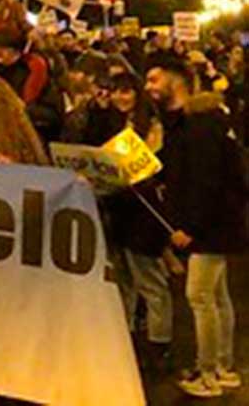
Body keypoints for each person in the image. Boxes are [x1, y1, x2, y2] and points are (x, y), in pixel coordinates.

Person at [148, 59, 248, 397]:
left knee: (200, 296)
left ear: (176, 80)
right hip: (219, 225)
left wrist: (189, 227)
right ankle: (223, 366)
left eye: (153, 78)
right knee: (217, 297)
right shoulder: (191, 122)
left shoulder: (200, 124)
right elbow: (175, 168)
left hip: (210, 228)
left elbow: (207, 182)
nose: (148, 87)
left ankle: (208, 373)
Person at [98, 72, 173, 372]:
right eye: (115, 91)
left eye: (126, 92)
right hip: (119, 210)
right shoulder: (113, 122)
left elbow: (152, 168)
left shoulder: (152, 126)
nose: (119, 98)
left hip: (144, 213)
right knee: (124, 280)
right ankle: (126, 336)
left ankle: (159, 343)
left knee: (150, 281)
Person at [0, 26, 64, 140]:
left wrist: (24, 109)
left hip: (25, 135)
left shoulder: (35, 72)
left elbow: (53, 115)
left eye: (5, 47)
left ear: (17, 51)